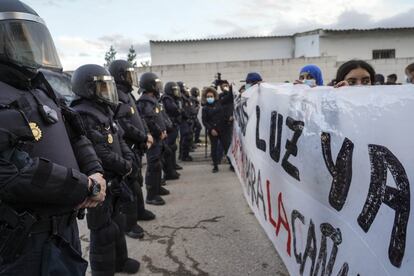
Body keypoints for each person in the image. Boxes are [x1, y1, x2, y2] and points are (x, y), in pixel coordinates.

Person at [0, 2, 106, 275]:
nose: (29, 48)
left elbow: (76, 134)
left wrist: (95, 172)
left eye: (33, 39)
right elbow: (13, 173)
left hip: (64, 233)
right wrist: (85, 186)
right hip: (24, 244)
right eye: (18, 38)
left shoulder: (39, 89)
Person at [71, 64, 140, 275]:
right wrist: (125, 165)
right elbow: (100, 152)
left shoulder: (105, 112)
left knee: (118, 223)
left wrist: (128, 160)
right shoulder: (83, 115)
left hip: (116, 182)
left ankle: (121, 262)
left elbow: (120, 140)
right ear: (88, 89)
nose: (108, 92)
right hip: (100, 184)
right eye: (103, 87)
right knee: (103, 233)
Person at [109, 60, 156, 240]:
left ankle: (140, 211)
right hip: (128, 147)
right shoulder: (118, 96)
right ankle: (129, 224)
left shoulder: (129, 95)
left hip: (137, 146)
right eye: (128, 74)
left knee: (137, 182)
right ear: (120, 76)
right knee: (130, 186)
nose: (131, 78)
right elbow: (124, 124)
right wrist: (143, 137)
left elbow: (139, 118)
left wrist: (147, 134)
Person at [136, 72, 170, 205]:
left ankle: (157, 188)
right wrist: (158, 132)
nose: (158, 87)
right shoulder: (145, 101)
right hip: (154, 139)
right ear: (150, 85)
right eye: (156, 84)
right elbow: (149, 120)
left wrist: (164, 130)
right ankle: (151, 195)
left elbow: (158, 118)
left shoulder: (153, 100)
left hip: (159, 138)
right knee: (153, 166)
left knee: (158, 164)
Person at [202, 87, 234, 173]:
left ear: (214, 96)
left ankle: (232, 164)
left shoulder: (220, 102)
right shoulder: (205, 108)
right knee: (214, 149)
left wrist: (230, 88)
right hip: (213, 131)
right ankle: (215, 165)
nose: (209, 98)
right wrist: (211, 129)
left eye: (211, 96)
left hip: (223, 129)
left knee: (227, 147)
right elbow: (204, 121)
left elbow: (230, 97)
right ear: (205, 97)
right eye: (208, 96)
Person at [161, 82, 184, 171]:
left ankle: (173, 165)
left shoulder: (173, 99)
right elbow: (174, 109)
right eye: (175, 90)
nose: (176, 92)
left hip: (174, 125)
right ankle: (169, 168)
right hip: (170, 126)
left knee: (173, 147)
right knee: (170, 147)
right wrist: (179, 109)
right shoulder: (167, 99)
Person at [177, 82, 194, 161]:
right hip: (184, 120)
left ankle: (185, 154)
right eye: (183, 87)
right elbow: (181, 109)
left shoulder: (185, 97)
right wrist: (186, 116)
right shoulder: (180, 97)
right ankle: (183, 155)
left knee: (187, 137)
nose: (185, 89)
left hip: (188, 119)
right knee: (185, 137)